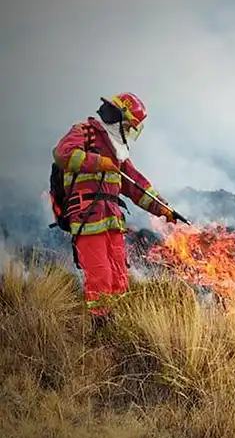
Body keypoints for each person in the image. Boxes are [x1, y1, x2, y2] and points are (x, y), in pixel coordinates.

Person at [51, 92, 178, 326]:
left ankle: (117, 325)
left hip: (112, 220)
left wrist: (163, 208)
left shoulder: (118, 150)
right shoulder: (84, 131)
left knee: (119, 273)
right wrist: (99, 162)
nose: (129, 131)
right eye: (128, 125)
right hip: (87, 218)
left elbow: (136, 185)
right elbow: (63, 154)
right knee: (99, 273)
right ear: (118, 117)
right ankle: (101, 326)